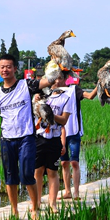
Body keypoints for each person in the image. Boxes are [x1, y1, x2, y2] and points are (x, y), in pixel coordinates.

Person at [0, 54, 53, 220]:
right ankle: (14, 211)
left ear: (15, 69)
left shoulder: (26, 85)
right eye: (2, 67)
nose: (5, 70)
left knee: (27, 175)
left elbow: (46, 82)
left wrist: (56, 66)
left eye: (8, 67)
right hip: (7, 138)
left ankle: (35, 208)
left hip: (26, 137)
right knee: (10, 176)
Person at [34, 76, 72, 212]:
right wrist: (37, 101)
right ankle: (36, 202)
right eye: (54, 79)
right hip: (39, 138)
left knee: (52, 171)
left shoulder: (67, 98)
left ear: (64, 80)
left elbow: (64, 120)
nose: (56, 81)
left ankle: (52, 203)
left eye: (60, 78)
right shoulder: (43, 95)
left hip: (54, 139)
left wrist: (50, 115)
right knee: (37, 171)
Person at [59, 77, 97, 200]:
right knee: (64, 163)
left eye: (60, 78)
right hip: (59, 132)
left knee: (74, 162)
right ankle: (67, 191)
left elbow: (90, 96)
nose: (57, 80)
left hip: (73, 130)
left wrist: (99, 85)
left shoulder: (74, 90)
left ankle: (76, 192)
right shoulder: (54, 91)